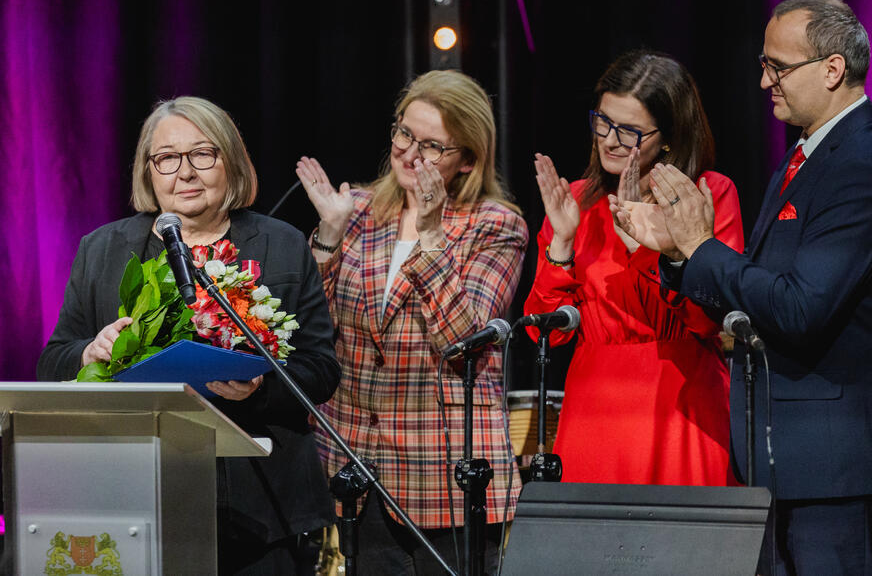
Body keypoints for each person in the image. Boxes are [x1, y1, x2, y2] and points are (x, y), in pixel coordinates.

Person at [625, 0, 872, 575]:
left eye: (777, 67)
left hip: (839, 467)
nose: (764, 81)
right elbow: (759, 289)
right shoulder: (808, 155)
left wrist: (700, 247)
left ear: (832, 69)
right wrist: (678, 254)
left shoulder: (860, 166)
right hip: (787, 457)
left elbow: (798, 307)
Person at [37, 96, 342, 574]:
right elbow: (54, 358)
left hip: (263, 501)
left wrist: (261, 386)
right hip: (139, 493)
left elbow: (321, 369)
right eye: (167, 158)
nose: (186, 172)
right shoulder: (102, 250)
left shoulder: (281, 245)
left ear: (231, 162)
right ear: (148, 170)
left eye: (203, 154)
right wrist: (89, 353)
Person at [295, 69, 526, 574]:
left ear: (467, 160)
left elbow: (464, 343)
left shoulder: (496, 225)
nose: (410, 153)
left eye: (432, 146)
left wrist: (431, 236)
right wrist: (328, 237)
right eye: (404, 133)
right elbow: (305, 332)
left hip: (443, 473)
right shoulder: (354, 210)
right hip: (353, 466)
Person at [524, 50, 744, 486]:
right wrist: (563, 242)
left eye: (629, 131)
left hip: (681, 409)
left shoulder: (707, 195)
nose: (609, 140)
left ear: (668, 137)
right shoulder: (578, 201)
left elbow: (708, 320)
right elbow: (544, 333)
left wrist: (671, 252)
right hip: (595, 414)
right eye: (602, 122)